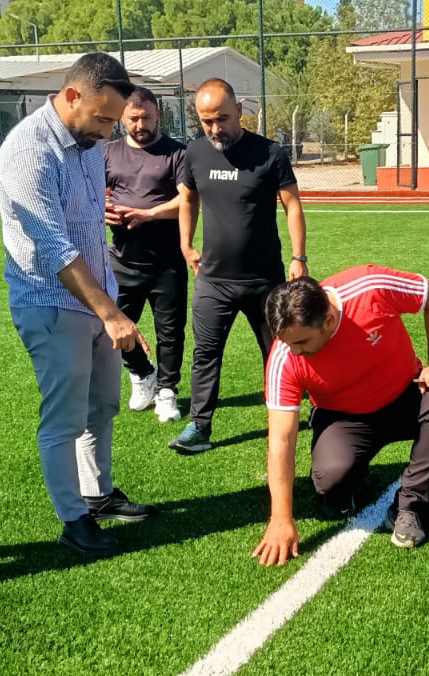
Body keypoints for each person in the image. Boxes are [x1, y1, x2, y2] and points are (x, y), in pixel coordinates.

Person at [0, 53, 157, 559]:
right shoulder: (27, 150)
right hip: (50, 302)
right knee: (64, 417)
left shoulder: (88, 143)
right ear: (71, 97)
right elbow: (53, 245)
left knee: (103, 404)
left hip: (95, 297)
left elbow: (86, 224)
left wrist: (107, 301)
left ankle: (98, 495)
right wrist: (112, 312)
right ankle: (72, 519)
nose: (111, 132)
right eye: (104, 118)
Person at [254, 266, 429, 566]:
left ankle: (411, 506)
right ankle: (345, 483)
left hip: (405, 395)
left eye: (301, 342)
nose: (294, 351)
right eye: (288, 342)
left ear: (328, 320)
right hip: (343, 418)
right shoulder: (284, 356)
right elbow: (281, 440)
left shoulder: (370, 288)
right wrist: (280, 518)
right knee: (331, 479)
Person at [171, 78, 308, 455]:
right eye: (206, 121)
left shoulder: (270, 153)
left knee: (281, 352)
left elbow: (291, 204)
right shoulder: (195, 153)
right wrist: (185, 244)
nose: (216, 129)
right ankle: (199, 427)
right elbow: (188, 200)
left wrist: (299, 257)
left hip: (265, 281)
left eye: (222, 119)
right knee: (205, 353)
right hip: (213, 281)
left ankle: (293, 413)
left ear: (240, 112)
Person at [103, 86, 189, 423]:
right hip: (122, 260)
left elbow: (188, 201)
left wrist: (148, 214)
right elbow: (91, 197)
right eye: (133, 118)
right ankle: (142, 374)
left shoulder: (176, 153)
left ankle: (167, 392)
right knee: (112, 326)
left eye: (147, 117)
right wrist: (103, 212)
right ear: (123, 118)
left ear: (158, 114)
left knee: (170, 332)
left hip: (167, 262)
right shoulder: (107, 152)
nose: (140, 124)